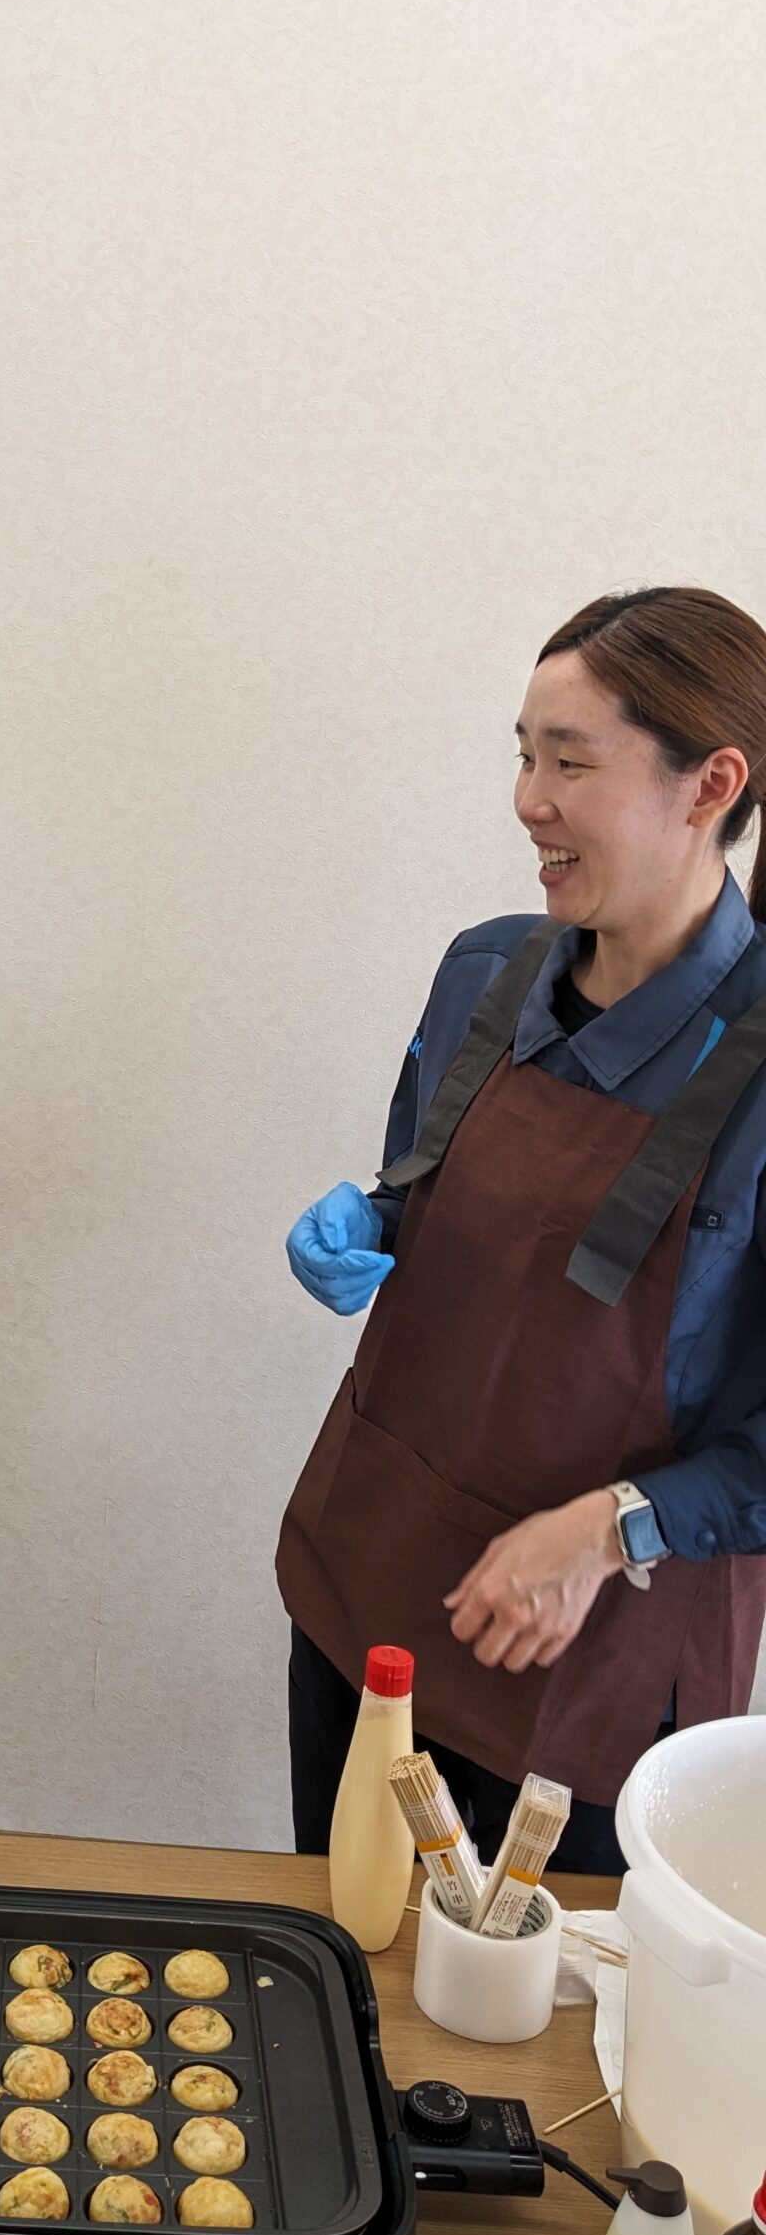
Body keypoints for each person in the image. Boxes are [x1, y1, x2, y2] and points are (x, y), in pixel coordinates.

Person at [278, 587, 766, 1873]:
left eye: (570, 762)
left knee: (535, 2002)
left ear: (711, 784)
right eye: (524, 754)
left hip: (592, 1665)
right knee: (344, 1946)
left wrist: (613, 1524)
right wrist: (371, 1219)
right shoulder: (483, 972)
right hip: (371, 1583)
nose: (527, 800)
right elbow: (428, 1191)